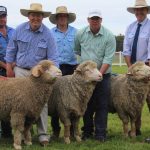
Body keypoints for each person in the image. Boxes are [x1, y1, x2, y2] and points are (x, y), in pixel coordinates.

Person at [5, 3, 59, 146]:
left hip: (40, 74)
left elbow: (53, 57)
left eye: (38, 15)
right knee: (19, 104)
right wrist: (9, 67)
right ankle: (21, 134)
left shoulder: (48, 34)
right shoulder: (19, 30)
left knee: (41, 102)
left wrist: (54, 72)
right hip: (21, 70)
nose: (36, 18)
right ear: (29, 16)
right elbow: (11, 49)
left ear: (42, 17)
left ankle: (42, 135)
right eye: (33, 15)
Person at [74, 9, 116, 141]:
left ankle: (100, 133)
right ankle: (87, 131)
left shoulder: (109, 36)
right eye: (92, 18)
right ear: (88, 20)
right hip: (86, 77)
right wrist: (87, 73)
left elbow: (108, 59)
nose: (95, 21)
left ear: (101, 20)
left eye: (97, 18)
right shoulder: (80, 33)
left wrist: (98, 75)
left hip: (103, 75)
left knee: (102, 104)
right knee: (86, 104)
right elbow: (77, 51)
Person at [49, 6, 78, 137]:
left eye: (64, 16)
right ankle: (56, 130)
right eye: (59, 16)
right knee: (55, 99)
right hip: (57, 68)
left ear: (67, 18)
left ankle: (72, 130)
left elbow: (79, 50)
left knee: (72, 99)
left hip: (72, 68)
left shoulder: (76, 33)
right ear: (56, 19)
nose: (62, 18)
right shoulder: (50, 33)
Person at [122, 0, 150, 136]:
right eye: (137, 10)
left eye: (142, 9)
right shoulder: (130, 27)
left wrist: (144, 71)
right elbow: (126, 50)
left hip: (147, 69)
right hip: (133, 71)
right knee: (135, 101)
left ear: (146, 10)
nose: (139, 12)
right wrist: (131, 69)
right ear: (134, 12)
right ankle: (136, 129)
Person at [0, 5, 14, 138]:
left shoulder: (13, 31)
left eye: (3, 16)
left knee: (13, 101)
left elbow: (20, 49)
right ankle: (4, 132)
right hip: (2, 71)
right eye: (0, 17)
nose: (2, 19)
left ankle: (8, 132)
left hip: (14, 69)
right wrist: (6, 67)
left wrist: (13, 65)